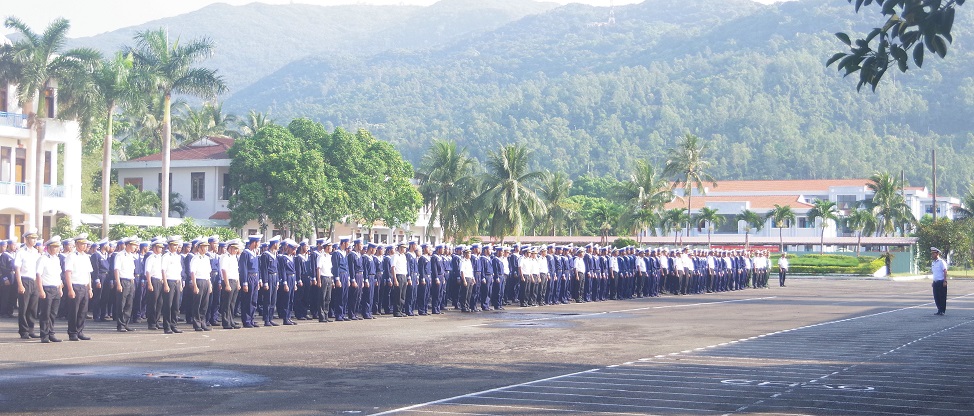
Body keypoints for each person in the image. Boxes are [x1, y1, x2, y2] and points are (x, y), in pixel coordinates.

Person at [36, 236, 64, 343]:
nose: (57, 249)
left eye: (58, 247)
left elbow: (58, 275)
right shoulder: (43, 259)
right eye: (55, 247)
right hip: (46, 288)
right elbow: (38, 275)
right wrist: (40, 290)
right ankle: (44, 335)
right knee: (45, 313)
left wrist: (60, 288)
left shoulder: (56, 259)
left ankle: (51, 333)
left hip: (55, 288)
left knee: (53, 313)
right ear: (49, 247)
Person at [65, 235, 94, 341]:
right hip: (75, 285)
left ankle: (79, 331)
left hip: (84, 286)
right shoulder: (71, 256)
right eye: (82, 244)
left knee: (83, 311)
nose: (84, 246)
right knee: (74, 311)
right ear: (77, 244)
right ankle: (72, 332)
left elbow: (88, 274)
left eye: (85, 244)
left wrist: (90, 288)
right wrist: (70, 289)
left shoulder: (86, 257)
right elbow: (68, 273)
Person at [16, 228, 41, 339]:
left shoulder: (36, 252)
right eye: (32, 238)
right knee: (24, 307)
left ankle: (31, 329)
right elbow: (17, 269)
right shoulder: (21, 252)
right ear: (26, 239)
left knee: (33, 308)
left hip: (34, 281)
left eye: (35, 238)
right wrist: (20, 284)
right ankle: (23, 331)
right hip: (25, 280)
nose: (34, 240)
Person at [221, 239, 242, 329]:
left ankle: (231, 320)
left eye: (237, 249)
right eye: (235, 248)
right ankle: (226, 322)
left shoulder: (234, 257)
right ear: (230, 248)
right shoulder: (225, 257)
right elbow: (224, 270)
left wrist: (238, 283)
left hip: (234, 281)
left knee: (232, 303)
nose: (236, 250)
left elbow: (236, 272)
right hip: (228, 281)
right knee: (226, 303)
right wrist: (227, 284)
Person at [931, 247, 948, 315]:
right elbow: (935, 273)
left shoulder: (941, 262)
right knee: (936, 297)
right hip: (935, 282)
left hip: (941, 282)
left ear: (937, 254)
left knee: (942, 297)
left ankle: (942, 311)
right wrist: (933, 281)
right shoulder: (933, 263)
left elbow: (945, 271)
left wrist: (945, 281)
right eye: (932, 254)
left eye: (933, 254)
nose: (932, 255)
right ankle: (939, 309)